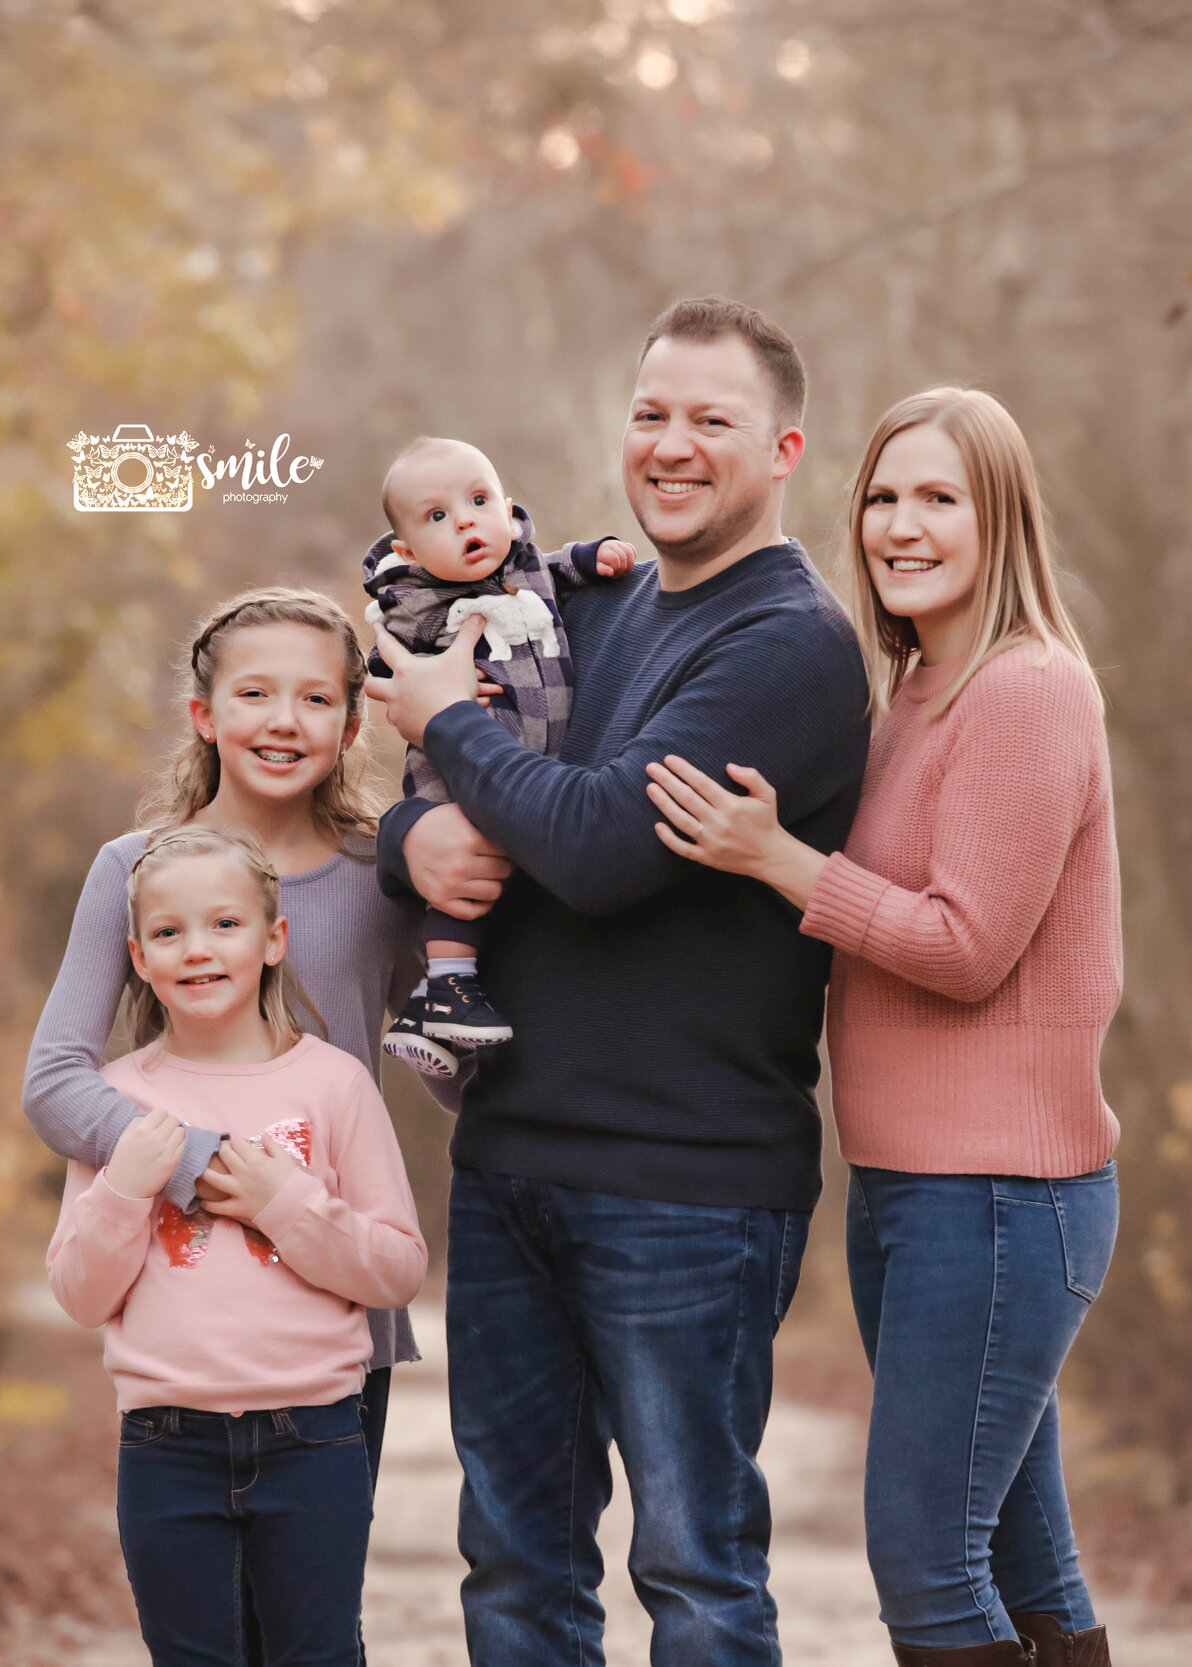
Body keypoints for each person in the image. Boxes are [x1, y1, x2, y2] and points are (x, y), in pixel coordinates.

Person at [367, 297, 870, 1666]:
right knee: (516, 1572)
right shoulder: (573, 606)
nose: (673, 445)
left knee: (695, 1572)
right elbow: (419, 778)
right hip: (512, 1156)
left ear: (784, 448)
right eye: (653, 413)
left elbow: (590, 846)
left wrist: (449, 726)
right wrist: (416, 838)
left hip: (687, 1185)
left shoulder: (789, 645)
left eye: (712, 419)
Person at [640, 388, 1122, 1667]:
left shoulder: (1025, 694)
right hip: (915, 1187)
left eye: (938, 498)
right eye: (882, 498)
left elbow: (965, 950)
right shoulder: (914, 691)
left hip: (1005, 1195)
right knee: (1024, 1563)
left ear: (999, 516)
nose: (900, 527)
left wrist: (776, 860)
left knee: (923, 1561)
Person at [21, 588, 430, 1656]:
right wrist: (200, 1163)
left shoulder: (384, 868)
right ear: (204, 712)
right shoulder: (137, 870)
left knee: (306, 1629)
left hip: (331, 1330)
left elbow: (455, 1040)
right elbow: (58, 1080)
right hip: (185, 1345)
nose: (282, 719)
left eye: (314, 696)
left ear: (352, 722)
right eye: (253, 692)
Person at [361, 436, 634, 1080]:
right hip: (456, 772)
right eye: (436, 518)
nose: (464, 521)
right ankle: (451, 983)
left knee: (504, 884)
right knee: (466, 874)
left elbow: (564, 569)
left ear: (507, 512)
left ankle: (430, 1010)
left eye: (479, 501)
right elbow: (390, 664)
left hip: (530, 770)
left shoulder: (530, 570)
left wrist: (594, 557)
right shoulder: (417, 603)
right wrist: (433, 677)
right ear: (407, 552)